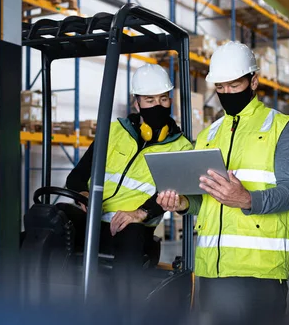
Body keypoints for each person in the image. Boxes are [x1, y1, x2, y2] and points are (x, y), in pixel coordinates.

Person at [156, 41, 289, 325]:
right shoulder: (209, 133)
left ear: (253, 81)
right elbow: (205, 199)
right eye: (220, 88)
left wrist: (248, 200)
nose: (227, 93)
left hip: (258, 271)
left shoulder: (281, 127)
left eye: (234, 85)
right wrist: (184, 203)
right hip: (210, 269)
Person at [63, 63, 193, 306]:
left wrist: (139, 214)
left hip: (133, 226)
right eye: (149, 99)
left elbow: (166, 195)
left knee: (130, 238)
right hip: (92, 220)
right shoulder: (113, 131)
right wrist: (83, 195)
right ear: (137, 103)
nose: (158, 105)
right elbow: (76, 176)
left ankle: (122, 313)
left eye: (164, 99)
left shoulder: (181, 146)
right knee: (51, 218)